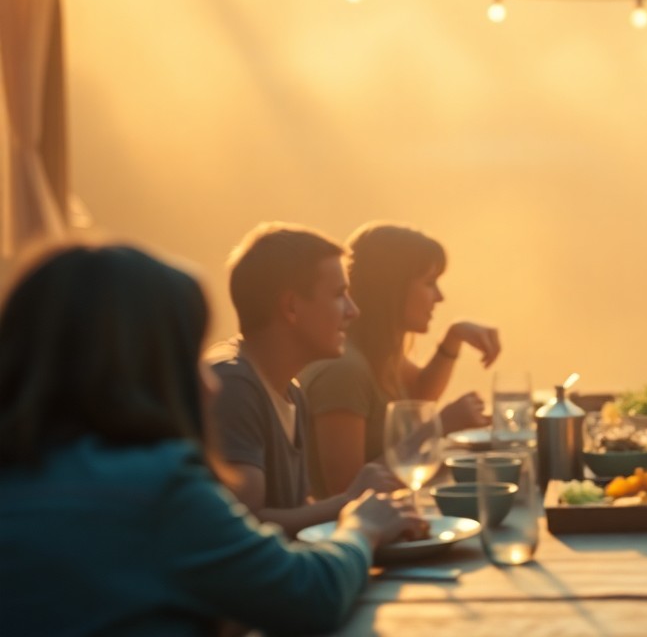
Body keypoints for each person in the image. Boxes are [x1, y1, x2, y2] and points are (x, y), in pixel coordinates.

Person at [0, 245, 423, 636]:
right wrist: (361, 528)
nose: (210, 383)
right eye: (189, 356)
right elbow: (311, 594)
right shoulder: (157, 486)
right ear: (143, 365)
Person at [208, 223, 401, 537]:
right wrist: (352, 502)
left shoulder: (290, 390)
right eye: (339, 295)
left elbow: (298, 510)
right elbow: (241, 529)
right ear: (291, 307)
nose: (353, 311)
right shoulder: (233, 386)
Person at [303, 222, 497, 497]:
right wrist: (439, 427)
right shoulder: (343, 370)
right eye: (429, 283)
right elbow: (348, 491)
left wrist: (452, 339)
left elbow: (418, 396)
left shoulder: (378, 354)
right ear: (391, 288)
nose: (439, 297)